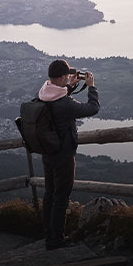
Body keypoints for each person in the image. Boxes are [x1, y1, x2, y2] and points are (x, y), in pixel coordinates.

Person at [37, 59, 99, 250]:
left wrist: (70, 87)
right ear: (63, 77)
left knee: (50, 194)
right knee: (61, 197)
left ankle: (48, 233)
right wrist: (91, 87)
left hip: (47, 152)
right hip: (63, 155)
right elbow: (92, 108)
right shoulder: (65, 104)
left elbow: (58, 103)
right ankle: (55, 240)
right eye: (67, 76)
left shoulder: (43, 93)